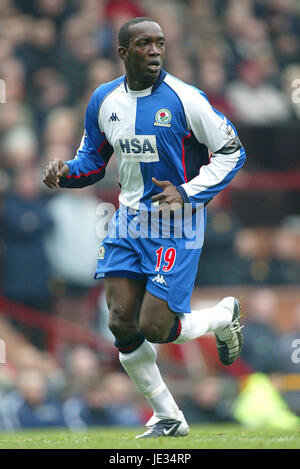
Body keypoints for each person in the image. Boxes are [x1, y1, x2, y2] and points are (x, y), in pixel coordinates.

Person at [43, 17, 246, 438]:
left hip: (177, 223)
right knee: (120, 320)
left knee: (156, 327)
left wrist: (188, 193)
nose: (154, 51)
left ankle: (222, 315)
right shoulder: (104, 99)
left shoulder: (186, 100)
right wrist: (65, 172)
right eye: (144, 44)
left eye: (160, 43)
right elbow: (93, 160)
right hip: (127, 220)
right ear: (123, 53)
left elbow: (231, 151)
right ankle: (169, 416)